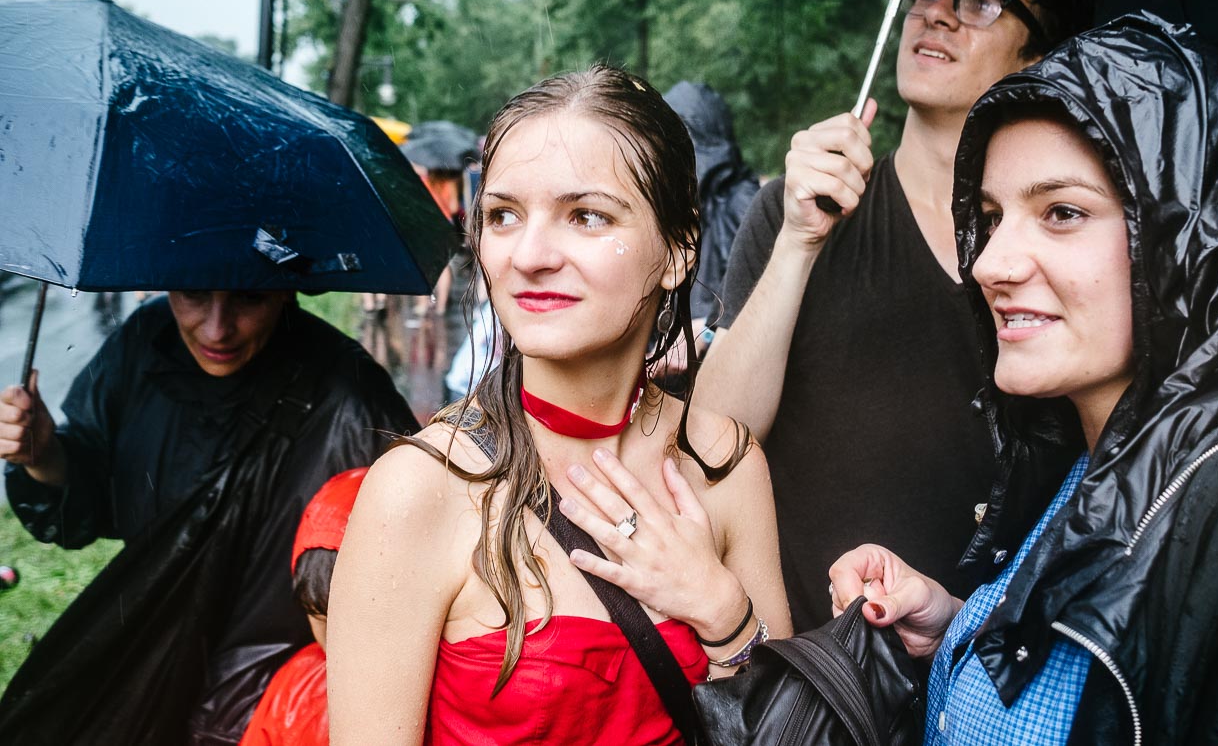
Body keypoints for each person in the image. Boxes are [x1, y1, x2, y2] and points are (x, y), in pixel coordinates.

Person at [830, 12, 1218, 743]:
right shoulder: (1082, 452)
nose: (989, 264)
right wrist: (959, 625)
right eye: (990, 216)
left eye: (1061, 212)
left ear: (1193, 241)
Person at [327, 65, 792, 746]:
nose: (530, 254)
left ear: (678, 248)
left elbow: (786, 727)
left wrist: (722, 612)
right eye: (504, 215)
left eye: (586, 215)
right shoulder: (419, 491)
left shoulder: (725, 462)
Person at [695, 0, 1100, 630]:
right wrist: (796, 242)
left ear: (1036, 60)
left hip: (969, 679)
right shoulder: (796, 210)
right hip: (802, 676)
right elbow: (714, 440)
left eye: (982, 1)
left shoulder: (1053, 250)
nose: (938, 14)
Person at [0, 291, 415, 744]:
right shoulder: (145, 344)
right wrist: (45, 456)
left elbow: (410, 577)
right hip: (150, 667)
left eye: (245, 298)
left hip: (272, 712)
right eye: (195, 294)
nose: (217, 329)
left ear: (283, 288)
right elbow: (89, 506)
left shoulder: (352, 397)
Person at [239, 467, 368, 746]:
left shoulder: (450, 682)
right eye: (320, 619)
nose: (338, 645)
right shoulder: (300, 681)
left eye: (355, 623)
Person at [655, 81, 760, 382]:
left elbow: (760, 290)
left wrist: (708, 331)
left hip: (726, 375)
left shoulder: (744, 202)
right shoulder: (670, 206)